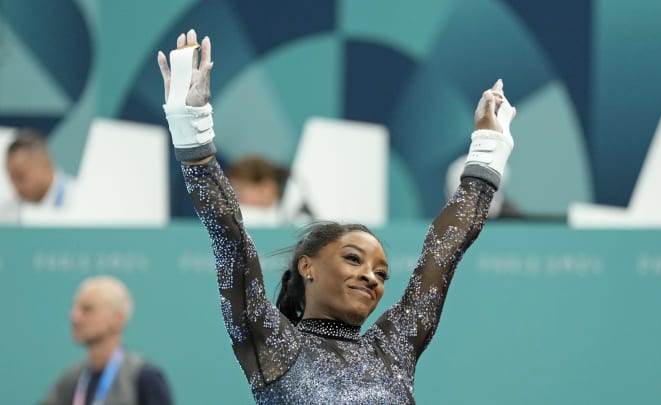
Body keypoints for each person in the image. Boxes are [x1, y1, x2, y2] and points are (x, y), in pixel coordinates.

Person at [157, 29, 516, 404]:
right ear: (307, 267)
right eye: (353, 259)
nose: (371, 278)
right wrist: (192, 130)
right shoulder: (275, 346)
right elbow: (229, 237)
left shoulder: (392, 350)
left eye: (381, 273)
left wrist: (487, 151)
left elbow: (442, 255)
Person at [41, 276, 173, 405]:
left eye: (87, 309)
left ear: (118, 318)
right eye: (74, 309)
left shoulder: (143, 378)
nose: (75, 317)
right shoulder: (70, 381)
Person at [2, 128, 76, 224]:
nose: (16, 187)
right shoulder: (7, 213)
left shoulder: (83, 201)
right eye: (12, 179)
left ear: (45, 165)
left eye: (20, 177)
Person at [225, 155, 310, 227]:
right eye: (232, 191)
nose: (234, 197)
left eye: (241, 190)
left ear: (267, 188)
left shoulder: (299, 222)